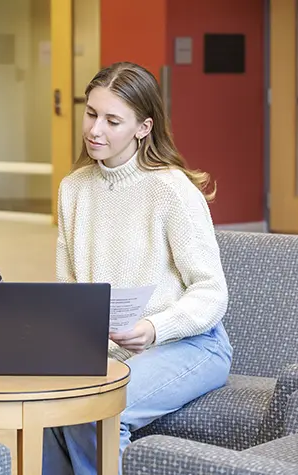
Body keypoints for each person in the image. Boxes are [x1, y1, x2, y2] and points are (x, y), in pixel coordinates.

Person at [43, 62, 232, 474]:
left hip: (191, 343)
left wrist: (154, 328)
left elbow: (211, 291)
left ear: (143, 128)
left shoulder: (171, 190)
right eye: (91, 113)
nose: (95, 130)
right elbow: (69, 287)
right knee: (43, 408)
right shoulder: (73, 189)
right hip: (108, 348)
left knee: (96, 410)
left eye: (113, 120)